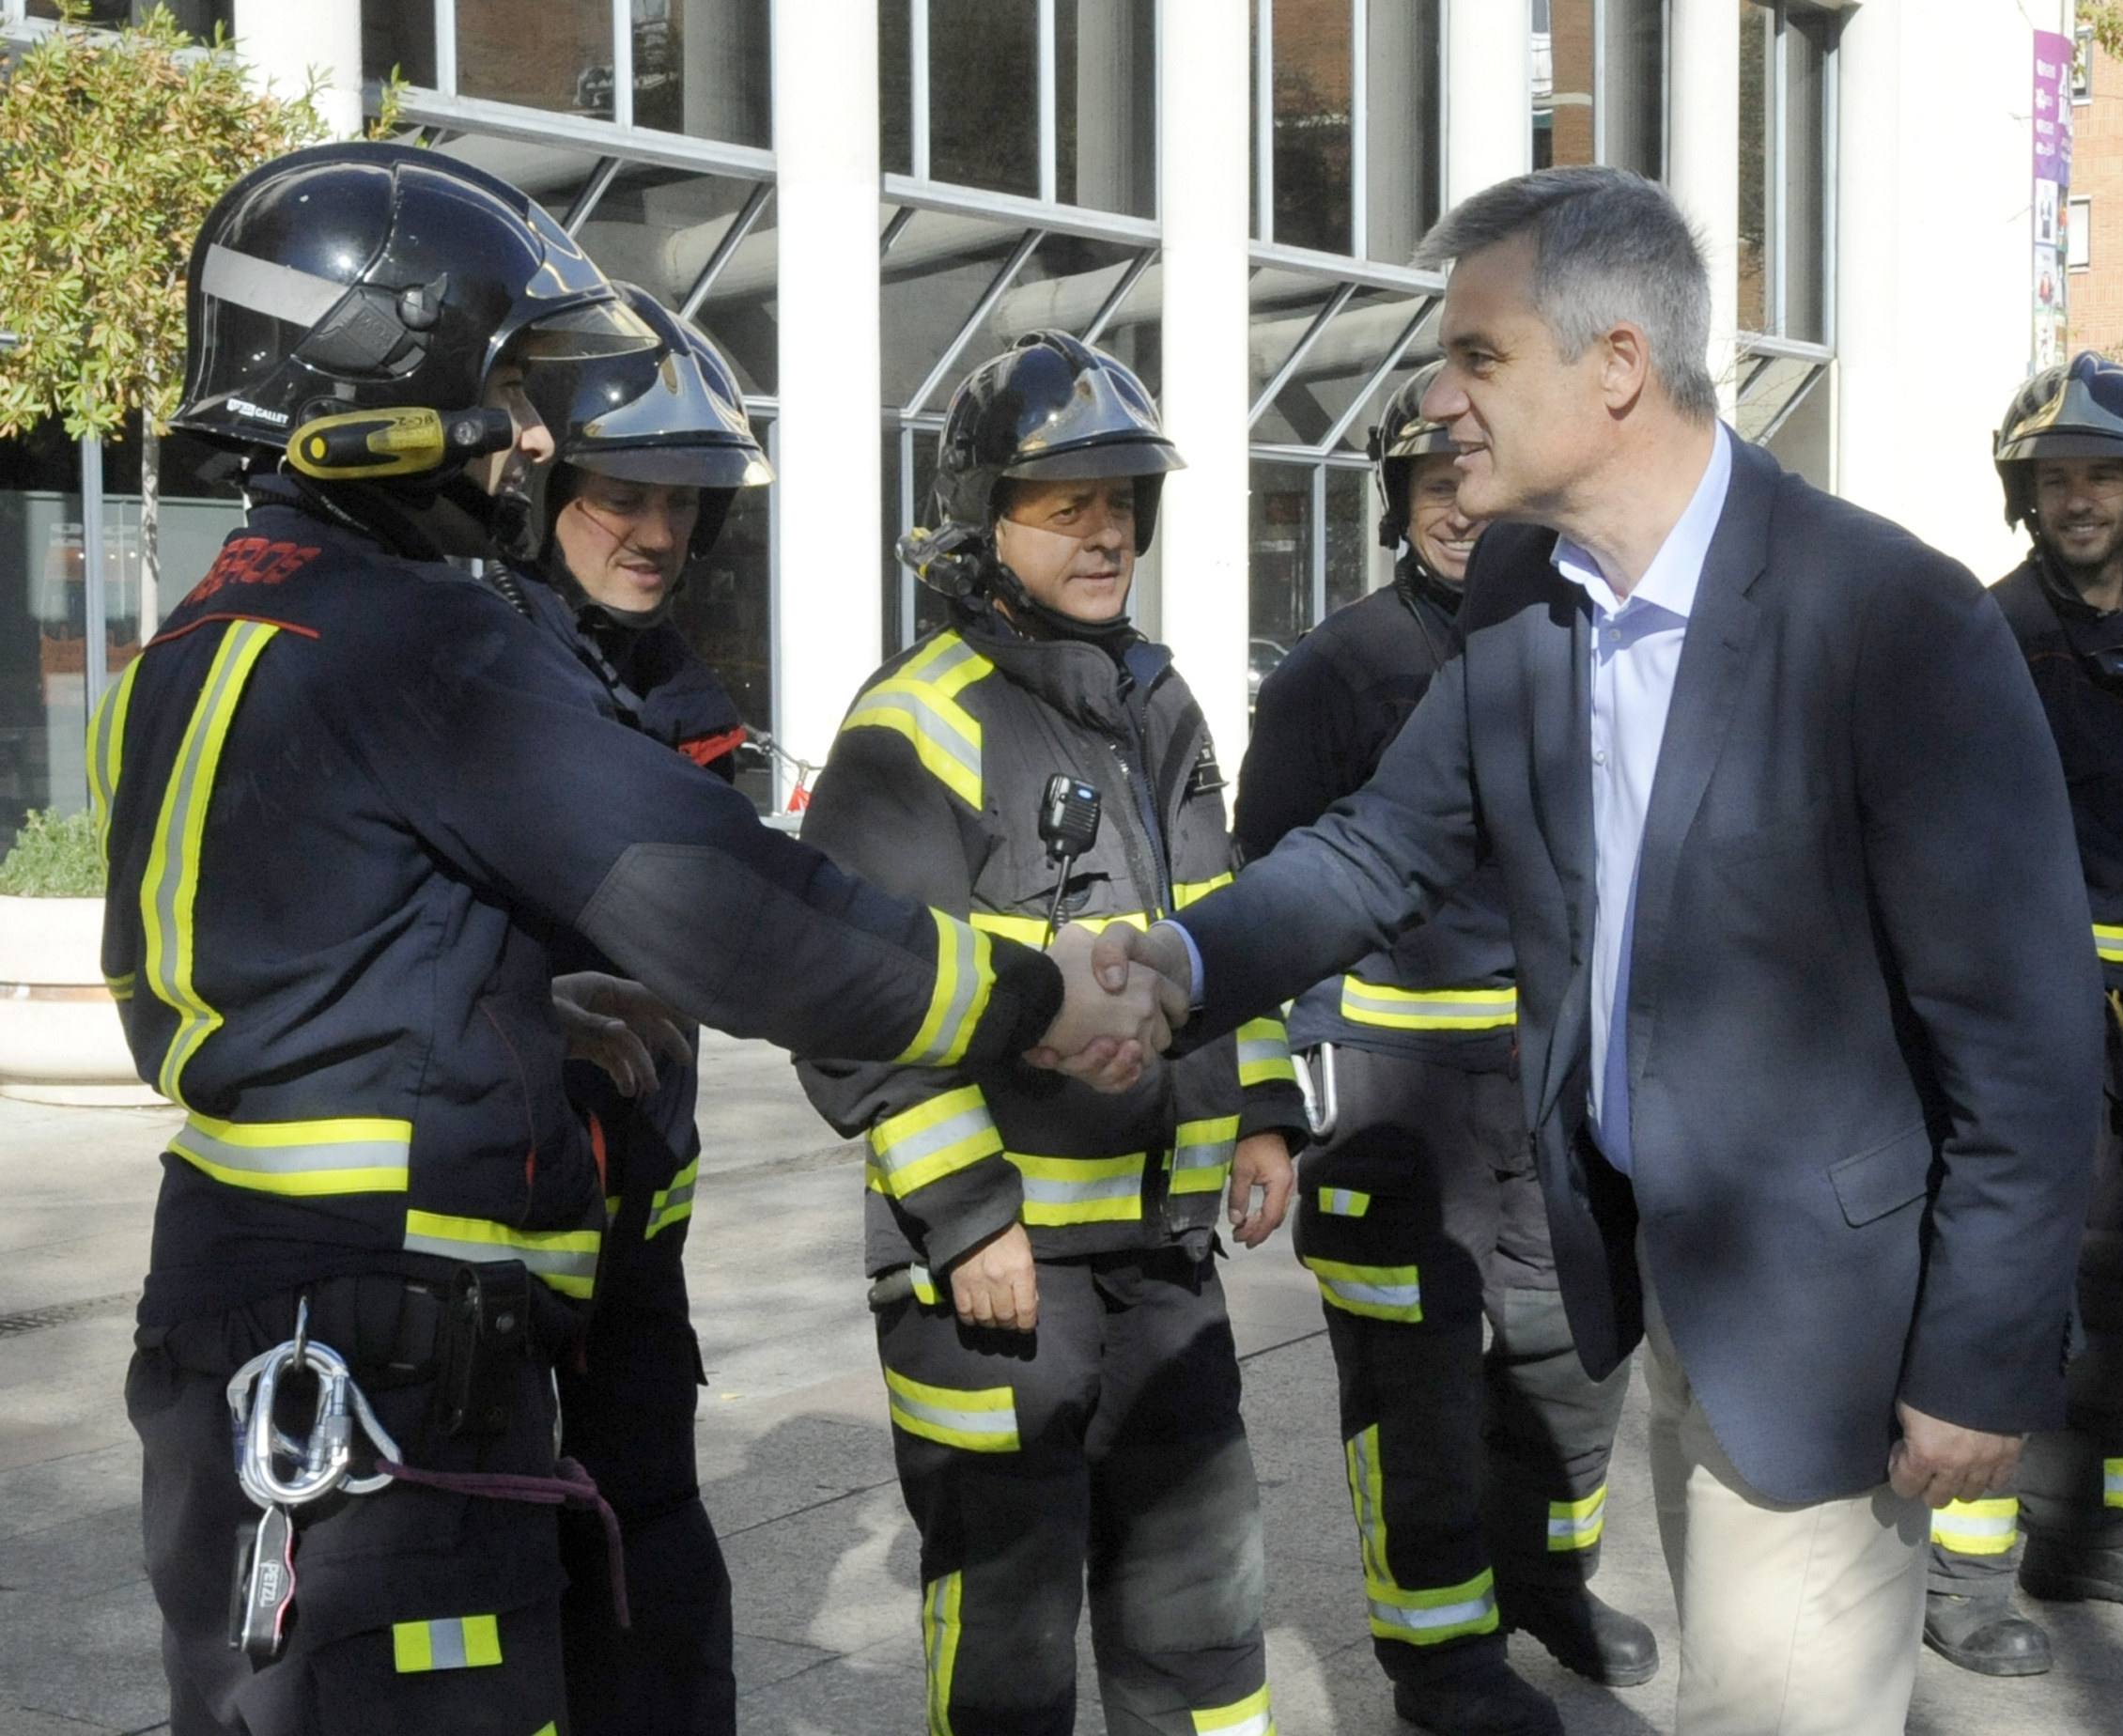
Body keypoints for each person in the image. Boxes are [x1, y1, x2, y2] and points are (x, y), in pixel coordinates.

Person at [100, 143, 1169, 1736]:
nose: (538, 435)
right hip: (387, 1335)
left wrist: (514, 1000)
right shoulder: (425, 638)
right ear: (383, 377)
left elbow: (307, 962)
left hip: (255, 1319)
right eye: (507, 389)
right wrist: (1028, 993)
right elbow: (730, 907)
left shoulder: (208, 633)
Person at [1095, 165, 2102, 1736]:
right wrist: (1175, 966)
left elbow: (2026, 1041)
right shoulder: (1527, 591)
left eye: (1479, 357)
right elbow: (1379, 845)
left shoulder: (1890, 618)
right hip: (1658, 1275)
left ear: (1618, 365)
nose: (1440, 399)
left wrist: (1980, 1365)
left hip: (1828, 1315)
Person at [793, 331, 1303, 1736]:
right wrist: (967, 1218)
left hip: (1165, 1249)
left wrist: (1262, 1110)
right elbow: (861, 1008)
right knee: (1010, 1635)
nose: (1107, 533)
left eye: (1123, 503)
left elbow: (1223, 919)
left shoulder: (1160, 700)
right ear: (983, 521)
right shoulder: (915, 726)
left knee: (1202, 1604)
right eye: (1067, 504)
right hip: (1000, 1278)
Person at [1235, 363, 1655, 1736]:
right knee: (1412, 1396)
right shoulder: (1335, 672)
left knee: (1570, 1363)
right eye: (1430, 486)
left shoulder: (1568, 637)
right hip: (1391, 1102)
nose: (1459, 510)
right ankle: (1440, 1658)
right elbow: (1265, 885)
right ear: (1397, 501)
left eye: (1474, 479)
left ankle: (1547, 1583)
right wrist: (1273, 1100)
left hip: (1548, 1091)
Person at [1923, 354, 2123, 1677]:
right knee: (2014, 1292)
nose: (2079, 499)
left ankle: (2092, 1533)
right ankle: (1965, 1569)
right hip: (2028, 1030)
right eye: (2055, 479)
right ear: (2026, 498)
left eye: (2103, 475)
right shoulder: (1989, 638)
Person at [495, 284, 775, 1731]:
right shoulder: (475, 672)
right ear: (542, 485)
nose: (658, 531)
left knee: (656, 1585)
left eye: (683, 500)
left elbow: (746, 932)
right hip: (478, 1261)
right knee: (492, 1604)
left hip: (634, 1251)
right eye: (624, 493)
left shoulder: (684, 697)